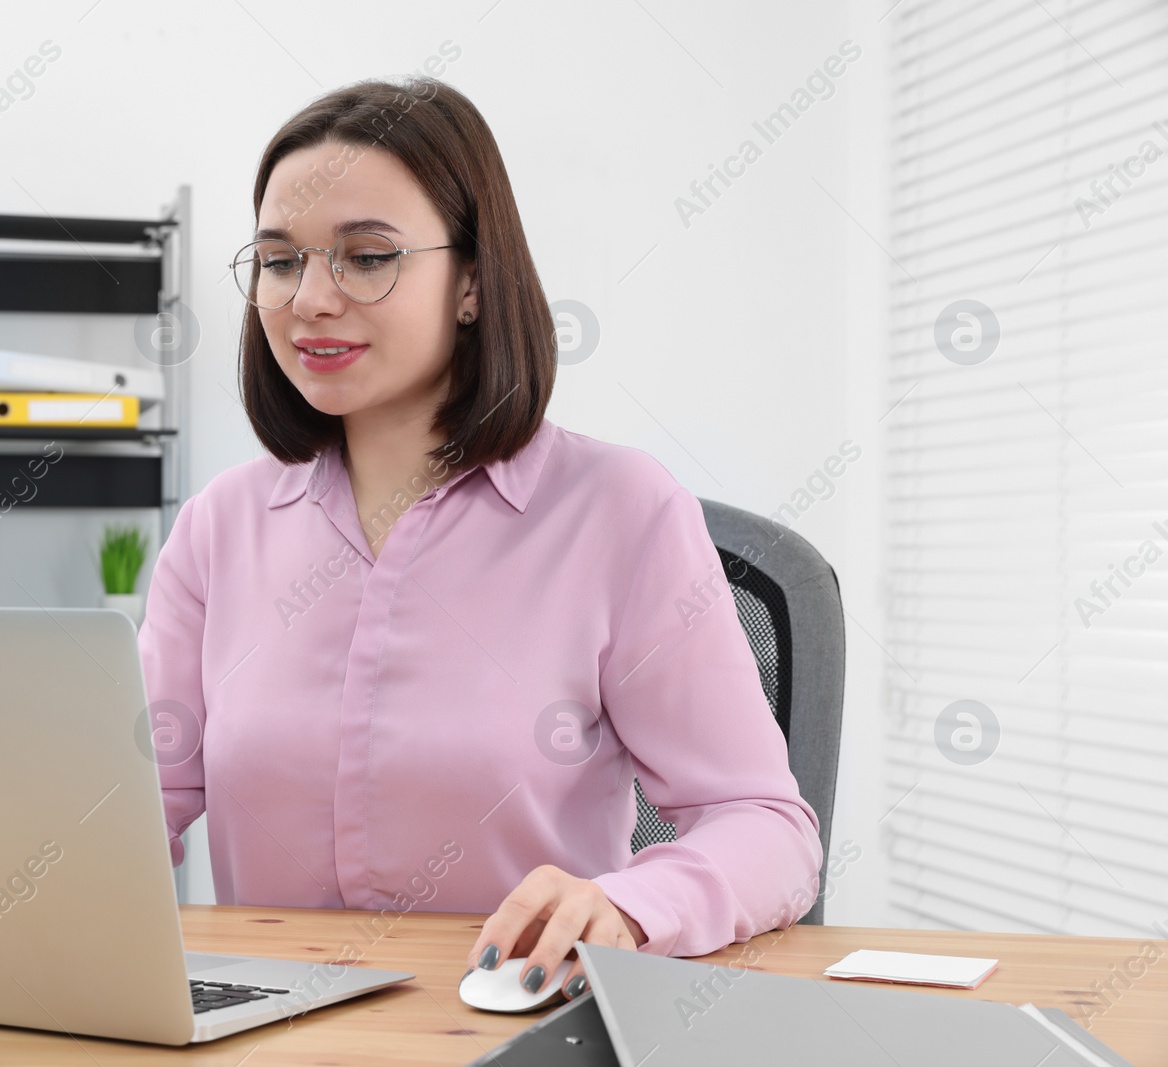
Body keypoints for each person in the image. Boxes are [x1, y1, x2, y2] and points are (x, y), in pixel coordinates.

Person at [137, 75, 822, 1004]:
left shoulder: (618, 511)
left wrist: (628, 906)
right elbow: (126, 809)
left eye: (367, 257)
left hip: (512, 1021)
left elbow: (768, 828)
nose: (311, 299)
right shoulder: (221, 527)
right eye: (280, 261)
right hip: (274, 1031)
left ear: (470, 283)